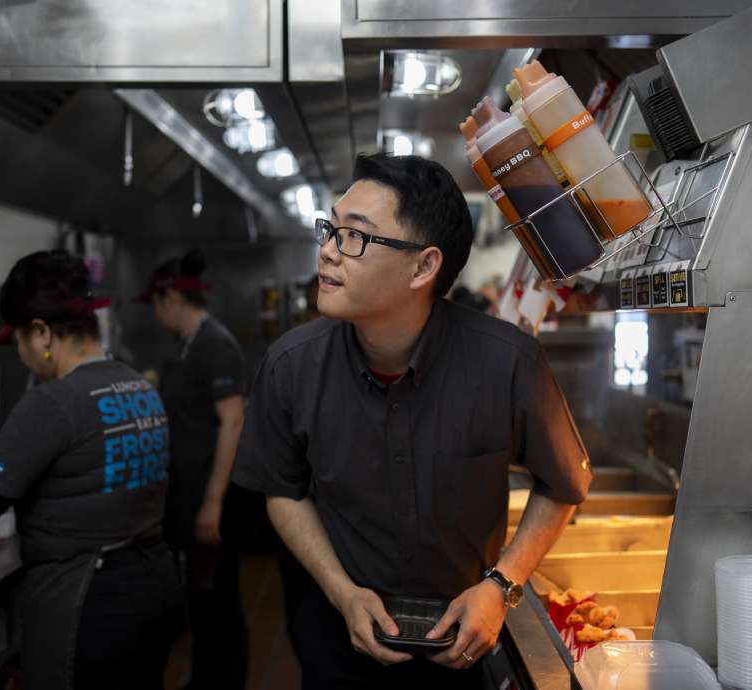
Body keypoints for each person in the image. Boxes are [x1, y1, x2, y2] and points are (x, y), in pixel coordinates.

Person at [231, 153, 594, 689]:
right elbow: (282, 489)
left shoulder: (508, 363)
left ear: (423, 267)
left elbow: (564, 484)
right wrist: (341, 591)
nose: (328, 252)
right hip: (339, 644)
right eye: (330, 229)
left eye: (354, 237)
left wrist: (501, 585)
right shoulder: (291, 364)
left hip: (465, 646)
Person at [0, 250, 184, 690]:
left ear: (42, 332)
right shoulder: (140, 387)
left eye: (19, 342)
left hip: (87, 604)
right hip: (153, 588)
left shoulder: (52, 403)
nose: (22, 356)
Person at [134, 249, 248, 690]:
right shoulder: (187, 345)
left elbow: (233, 421)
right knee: (202, 601)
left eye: (155, 303)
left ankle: (224, 682)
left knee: (220, 602)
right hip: (190, 494)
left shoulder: (214, 343)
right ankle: (206, 680)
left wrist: (214, 503)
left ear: (170, 299)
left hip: (211, 495)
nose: (156, 313)